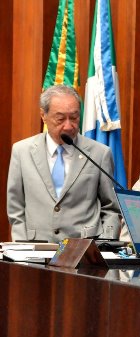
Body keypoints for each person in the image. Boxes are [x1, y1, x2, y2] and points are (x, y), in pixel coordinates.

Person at [7, 85, 120, 242]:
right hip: (35, 250)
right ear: (43, 115)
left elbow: (111, 208)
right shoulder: (22, 151)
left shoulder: (99, 153)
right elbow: (15, 207)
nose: (68, 126)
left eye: (74, 118)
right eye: (60, 119)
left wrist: (105, 244)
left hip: (83, 250)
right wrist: (21, 246)